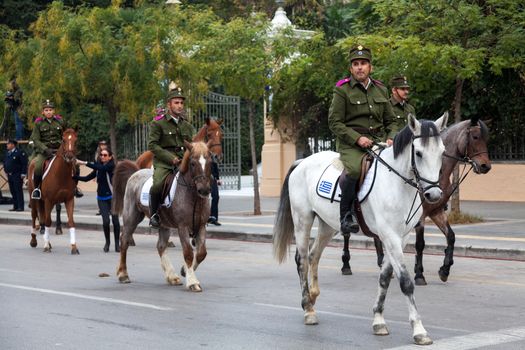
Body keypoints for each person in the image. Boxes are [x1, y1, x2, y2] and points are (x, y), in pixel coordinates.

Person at [328, 45, 398, 236]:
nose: (360, 67)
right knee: (355, 170)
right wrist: (357, 138)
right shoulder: (342, 90)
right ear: (351, 69)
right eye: (356, 64)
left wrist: (391, 137)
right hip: (352, 144)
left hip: (379, 142)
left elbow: (391, 121)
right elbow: (334, 123)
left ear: (370, 67)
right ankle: (346, 216)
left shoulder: (381, 89)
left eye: (363, 63)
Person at [148, 85, 195, 228]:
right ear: (169, 104)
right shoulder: (158, 123)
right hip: (165, 163)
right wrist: (171, 158)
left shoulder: (187, 126)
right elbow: (153, 145)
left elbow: (191, 145)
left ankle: (200, 215)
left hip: (183, 161)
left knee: (201, 180)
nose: (180, 106)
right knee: (157, 185)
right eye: (176, 102)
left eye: (181, 103)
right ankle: (154, 214)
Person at [29, 99, 83, 200]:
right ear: (43, 112)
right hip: (45, 151)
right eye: (46, 110)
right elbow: (35, 139)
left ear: (54, 111)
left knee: (76, 165)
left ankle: (74, 188)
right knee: (38, 166)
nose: (48, 112)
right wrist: (45, 149)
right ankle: (37, 189)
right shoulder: (38, 124)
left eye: (50, 110)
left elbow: (67, 133)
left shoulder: (60, 121)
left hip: (60, 151)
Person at [75, 149, 120, 252]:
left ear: (110, 157)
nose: (102, 157)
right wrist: (74, 177)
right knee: (106, 222)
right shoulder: (99, 168)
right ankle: (107, 242)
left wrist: (84, 163)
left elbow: (102, 168)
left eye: (105, 155)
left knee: (115, 221)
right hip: (101, 198)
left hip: (112, 197)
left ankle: (117, 244)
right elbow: (87, 178)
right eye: (101, 155)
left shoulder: (111, 166)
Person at [3, 139, 28, 211]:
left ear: (13, 145)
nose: (7, 145)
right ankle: (15, 206)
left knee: (18, 190)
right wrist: (5, 170)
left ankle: (20, 206)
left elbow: (24, 163)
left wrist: (23, 173)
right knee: (12, 191)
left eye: (8, 144)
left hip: (17, 174)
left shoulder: (19, 152)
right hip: (9, 175)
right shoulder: (8, 153)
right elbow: (5, 162)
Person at [208, 159, 222, 226]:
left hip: (213, 180)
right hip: (203, 180)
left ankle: (213, 218)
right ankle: (204, 218)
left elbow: (215, 168)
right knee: (203, 198)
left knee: (216, 197)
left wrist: (218, 179)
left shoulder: (212, 159)